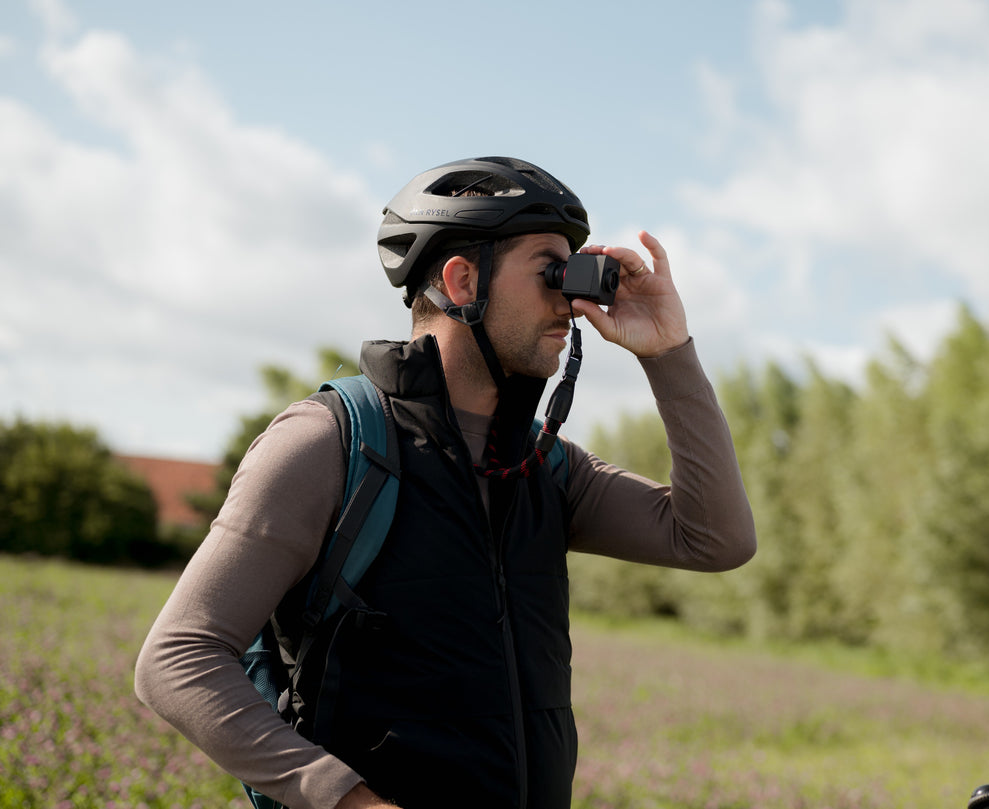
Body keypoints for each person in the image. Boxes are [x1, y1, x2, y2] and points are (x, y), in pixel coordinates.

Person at [135, 156, 756, 809]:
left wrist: (669, 353)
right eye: (551, 270)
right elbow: (177, 659)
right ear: (463, 280)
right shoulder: (329, 444)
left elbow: (714, 538)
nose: (573, 301)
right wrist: (350, 802)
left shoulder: (543, 465)